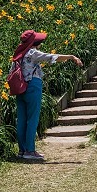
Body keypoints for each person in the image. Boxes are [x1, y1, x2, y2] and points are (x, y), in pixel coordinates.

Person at [11, 29, 83, 161]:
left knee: (21, 120)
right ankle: (30, 151)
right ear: (33, 42)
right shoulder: (32, 53)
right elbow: (51, 57)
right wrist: (71, 57)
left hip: (20, 89)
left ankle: (22, 150)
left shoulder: (18, 55)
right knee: (32, 119)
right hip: (32, 87)